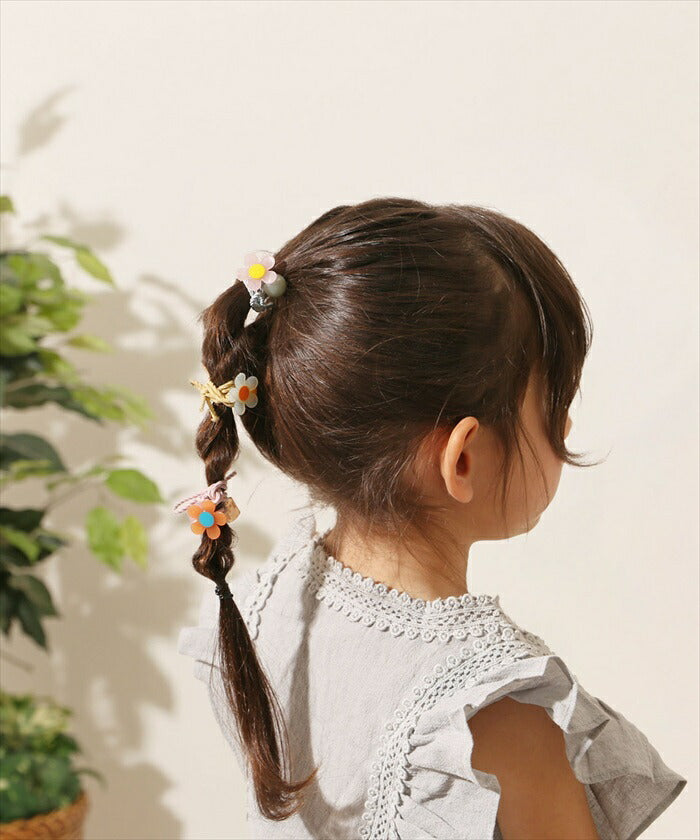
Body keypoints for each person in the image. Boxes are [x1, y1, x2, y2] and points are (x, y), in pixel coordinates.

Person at [176, 197, 686, 839]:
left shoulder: (265, 603)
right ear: (463, 458)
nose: (566, 427)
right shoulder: (496, 710)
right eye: (555, 405)